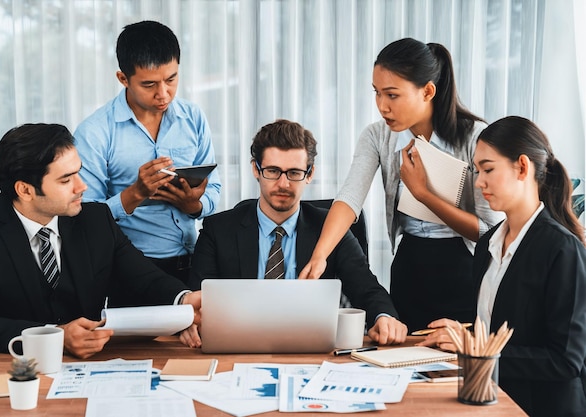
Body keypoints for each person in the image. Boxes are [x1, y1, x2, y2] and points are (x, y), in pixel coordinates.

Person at [298, 38, 504, 332]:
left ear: (428, 91)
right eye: (377, 93)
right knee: (404, 358)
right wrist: (320, 255)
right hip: (410, 265)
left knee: (456, 366)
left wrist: (422, 193)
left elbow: (490, 232)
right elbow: (349, 198)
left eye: (392, 95)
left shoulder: (475, 137)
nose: (382, 106)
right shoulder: (377, 136)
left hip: (463, 267)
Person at [0, 123, 202, 359]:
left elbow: (145, 279)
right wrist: (55, 336)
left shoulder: (95, 219)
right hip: (11, 368)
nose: (81, 186)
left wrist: (184, 299)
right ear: (25, 190)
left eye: (78, 172)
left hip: (90, 366)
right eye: (66, 180)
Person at [186, 119, 408, 348]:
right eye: (272, 171)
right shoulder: (217, 230)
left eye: (294, 173)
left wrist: (385, 317)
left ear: (310, 174)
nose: (283, 184)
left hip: (312, 353)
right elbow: (197, 298)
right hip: (237, 349)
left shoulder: (331, 229)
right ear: (256, 169)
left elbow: (367, 289)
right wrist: (190, 320)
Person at [418, 116, 586, 417]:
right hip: (491, 401)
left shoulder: (562, 250)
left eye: (488, 169)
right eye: (477, 170)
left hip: (539, 407)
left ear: (522, 167)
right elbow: (498, 328)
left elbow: (565, 360)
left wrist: (475, 350)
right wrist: (463, 334)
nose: (479, 181)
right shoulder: (487, 245)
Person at [74, 20, 221, 285]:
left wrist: (194, 205)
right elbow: (84, 217)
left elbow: (214, 188)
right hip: (128, 270)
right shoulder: (94, 131)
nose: (163, 94)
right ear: (123, 79)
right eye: (149, 84)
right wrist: (135, 194)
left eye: (171, 79)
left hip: (192, 261)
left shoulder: (193, 117)